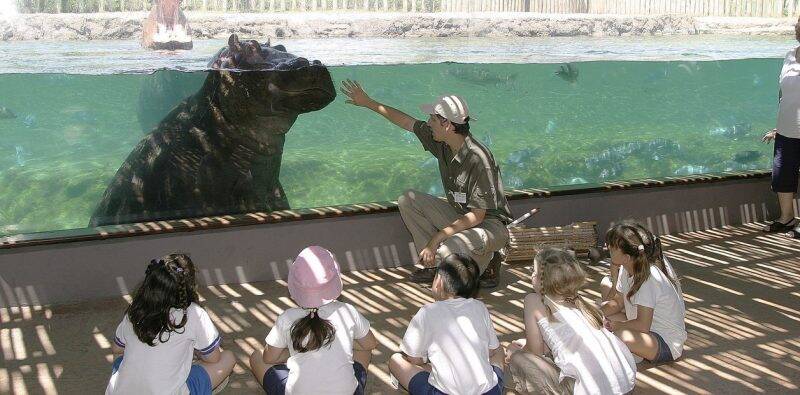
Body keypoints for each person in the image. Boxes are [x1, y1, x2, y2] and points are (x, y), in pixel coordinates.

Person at [341, 80, 513, 288]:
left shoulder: (478, 158)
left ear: (447, 125)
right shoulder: (441, 141)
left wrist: (436, 239)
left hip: (488, 225)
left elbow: (477, 215)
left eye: (432, 118)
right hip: (461, 217)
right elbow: (407, 122)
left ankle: (487, 258)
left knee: (446, 251)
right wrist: (368, 102)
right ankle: (434, 264)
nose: (428, 122)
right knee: (408, 200)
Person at [248, 246, 379, 395]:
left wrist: (300, 349)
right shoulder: (347, 311)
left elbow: (269, 357)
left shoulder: (287, 317)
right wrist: (338, 342)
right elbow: (370, 344)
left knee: (257, 356)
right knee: (364, 351)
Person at [505, 248, 636, 395]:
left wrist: (515, 350)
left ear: (543, 280)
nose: (532, 276)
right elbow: (562, 339)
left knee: (518, 359)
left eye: (534, 272)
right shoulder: (580, 301)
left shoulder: (534, 300)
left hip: (589, 390)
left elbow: (534, 351)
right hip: (625, 386)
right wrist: (527, 341)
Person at [106, 253, 235, 395]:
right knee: (227, 357)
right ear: (188, 286)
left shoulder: (136, 309)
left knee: (121, 359)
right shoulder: (193, 313)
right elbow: (214, 358)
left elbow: (117, 349)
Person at [388, 253, 505, 395]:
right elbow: (491, 351)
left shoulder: (427, 312)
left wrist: (426, 364)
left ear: (438, 282)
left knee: (396, 360)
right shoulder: (479, 307)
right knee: (499, 350)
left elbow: (414, 359)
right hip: (490, 391)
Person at [600, 222, 686, 364]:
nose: (607, 248)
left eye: (612, 247)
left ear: (627, 257)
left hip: (664, 341)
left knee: (622, 335)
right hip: (646, 331)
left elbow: (642, 325)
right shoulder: (626, 268)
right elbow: (617, 302)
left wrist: (616, 326)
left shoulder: (649, 278)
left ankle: (630, 353)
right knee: (605, 315)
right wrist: (593, 313)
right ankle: (633, 351)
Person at [762, 16, 800, 236]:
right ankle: (786, 218)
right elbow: (783, 94)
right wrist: (778, 127)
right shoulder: (789, 56)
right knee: (782, 175)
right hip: (786, 131)